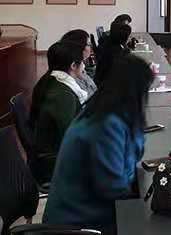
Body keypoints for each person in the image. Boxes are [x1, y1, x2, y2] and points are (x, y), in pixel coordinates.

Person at [43, 55, 153, 234]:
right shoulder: (106, 125)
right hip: (79, 222)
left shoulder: (102, 108)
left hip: (84, 210)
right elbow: (114, 187)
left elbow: (132, 157)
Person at [29, 41, 89, 184]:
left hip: (55, 157)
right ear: (73, 66)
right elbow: (71, 140)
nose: (84, 66)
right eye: (82, 63)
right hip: (55, 165)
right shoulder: (62, 95)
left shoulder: (54, 80)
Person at [60, 29, 98, 97]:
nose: (91, 47)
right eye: (89, 44)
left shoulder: (81, 65)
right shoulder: (74, 73)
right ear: (79, 48)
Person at [94, 22, 131, 87]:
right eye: (128, 36)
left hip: (101, 80)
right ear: (124, 37)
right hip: (108, 85)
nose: (129, 38)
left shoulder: (109, 42)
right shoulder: (117, 51)